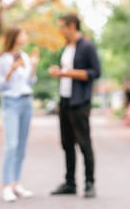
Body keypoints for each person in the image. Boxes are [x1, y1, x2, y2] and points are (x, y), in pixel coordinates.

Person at [48, 13, 101, 199]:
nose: (60, 30)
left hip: (80, 103)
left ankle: (89, 183)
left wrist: (67, 73)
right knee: (66, 143)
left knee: (84, 143)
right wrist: (61, 73)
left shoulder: (87, 46)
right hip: (65, 101)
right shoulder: (67, 48)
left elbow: (95, 72)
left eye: (62, 26)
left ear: (71, 26)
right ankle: (70, 183)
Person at [0, 27, 39, 202]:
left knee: (22, 145)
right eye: (23, 34)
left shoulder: (25, 57)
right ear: (15, 37)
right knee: (11, 144)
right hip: (11, 102)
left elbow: (31, 81)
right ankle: (6, 185)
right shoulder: (1, 61)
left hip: (27, 101)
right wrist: (11, 70)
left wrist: (32, 66)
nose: (25, 36)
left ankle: (16, 183)